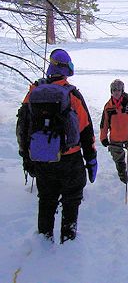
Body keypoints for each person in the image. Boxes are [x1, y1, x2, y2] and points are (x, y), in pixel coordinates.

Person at [16, 49, 97, 243]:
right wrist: (91, 159)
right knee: (71, 199)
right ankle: (68, 240)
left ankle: (44, 239)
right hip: (70, 158)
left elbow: (22, 126)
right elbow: (86, 130)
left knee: (46, 199)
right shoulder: (72, 94)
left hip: (42, 158)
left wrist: (26, 156)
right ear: (67, 69)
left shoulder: (33, 92)